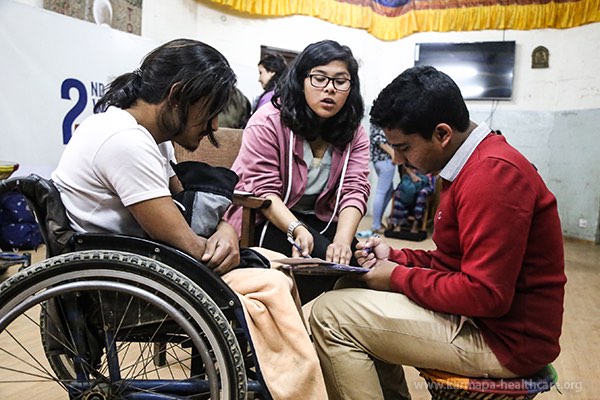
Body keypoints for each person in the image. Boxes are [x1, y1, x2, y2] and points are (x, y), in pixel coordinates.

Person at [51, 38, 326, 399]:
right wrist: (222, 239)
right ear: (178, 96)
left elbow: (185, 204)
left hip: (138, 264)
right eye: (209, 111)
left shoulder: (147, 136)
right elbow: (191, 246)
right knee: (272, 286)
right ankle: (293, 388)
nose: (213, 126)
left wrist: (227, 228)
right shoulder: (125, 142)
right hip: (124, 284)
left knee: (280, 263)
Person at [309, 65, 566, 400]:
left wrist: (397, 277)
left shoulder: (492, 175)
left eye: (404, 147)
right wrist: (396, 257)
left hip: (507, 342)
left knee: (331, 316)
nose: (398, 159)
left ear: (442, 134)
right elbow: (455, 262)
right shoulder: (470, 165)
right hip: (489, 324)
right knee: (348, 286)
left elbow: (486, 294)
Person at [225, 40, 370, 304]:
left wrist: (342, 240)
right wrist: (296, 229)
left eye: (341, 81)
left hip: (321, 220)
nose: (329, 88)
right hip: (265, 217)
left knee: (360, 267)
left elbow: (354, 189)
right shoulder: (268, 120)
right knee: (316, 264)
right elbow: (263, 191)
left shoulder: (354, 132)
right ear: (301, 80)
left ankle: (310, 327)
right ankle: (274, 327)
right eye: (319, 78)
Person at [388, 163, 434, 233]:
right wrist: (412, 175)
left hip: (426, 180)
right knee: (399, 192)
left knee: (422, 194)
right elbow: (404, 165)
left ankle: (416, 223)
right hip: (409, 178)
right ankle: (398, 223)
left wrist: (421, 177)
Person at [369, 124, 396, 234]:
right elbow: (379, 139)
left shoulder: (375, 118)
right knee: (382, 192)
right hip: (385, 160)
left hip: (378, 159)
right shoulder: (383, 116)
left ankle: (378, 222)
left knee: (389, 192)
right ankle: (376, 225)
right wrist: (393, 153)